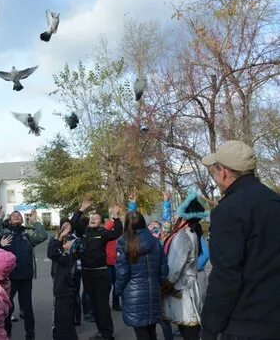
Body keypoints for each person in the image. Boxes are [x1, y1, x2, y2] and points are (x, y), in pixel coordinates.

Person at [201, 140, 280, 340]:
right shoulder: (274, 201)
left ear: (224, 172)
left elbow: (225, 276)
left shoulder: (228, 210)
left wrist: (208, 330)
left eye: (214, 171)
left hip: (246, 324)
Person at [0, 208, 48, 340]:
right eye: (13, 215)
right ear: (9, 220)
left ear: (22, 220)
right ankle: (7, 333)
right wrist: (0, 217)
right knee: (7, 307)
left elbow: (42, 235)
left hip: (25, 275)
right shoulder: (4, 233)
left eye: (19, 215)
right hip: (9, 276)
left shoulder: (27, 233)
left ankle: (30, 335)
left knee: (27, 308)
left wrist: (35, 222)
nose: (16, 216)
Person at [71, 200, 123, 340]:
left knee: (102, 305)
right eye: (91, 218)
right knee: (94, 304)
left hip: (100, 273)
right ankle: (101, 332)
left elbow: (117, 231)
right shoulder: (84, 232)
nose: (93, 219)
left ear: (101, 223)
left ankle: (107, 334)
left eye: (96, 218)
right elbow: (73, 223)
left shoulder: (103, 233)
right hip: (87, 273)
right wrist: (81, 209)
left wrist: (116, 216)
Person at [162, 190, 208, 340]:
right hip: (185, 284)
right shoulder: (189, 232)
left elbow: (175, 265)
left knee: (188, 326)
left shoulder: (183, 235)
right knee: (187, 325)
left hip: (181, 286)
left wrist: (166, 285)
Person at [116, 211, 169, 340]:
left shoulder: (124, 242)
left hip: (134, 292)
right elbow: (164, 268)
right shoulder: (155, 241)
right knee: (151, 331)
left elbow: (122, 273)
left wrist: (118, 290)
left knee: (141, 333)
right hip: (154, 290)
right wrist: (160, 284)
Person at [48, 219, 81, 340]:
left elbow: (55, 254)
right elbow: (51, 253)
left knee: (65, 317)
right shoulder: (57, 240)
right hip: (60, 283)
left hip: (66, 285)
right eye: (63, 225)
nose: (66, 227)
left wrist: (65, 248)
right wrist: (59, 238)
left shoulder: (74, 242)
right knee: (60, 315)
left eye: (68, 225)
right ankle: (58, 333)